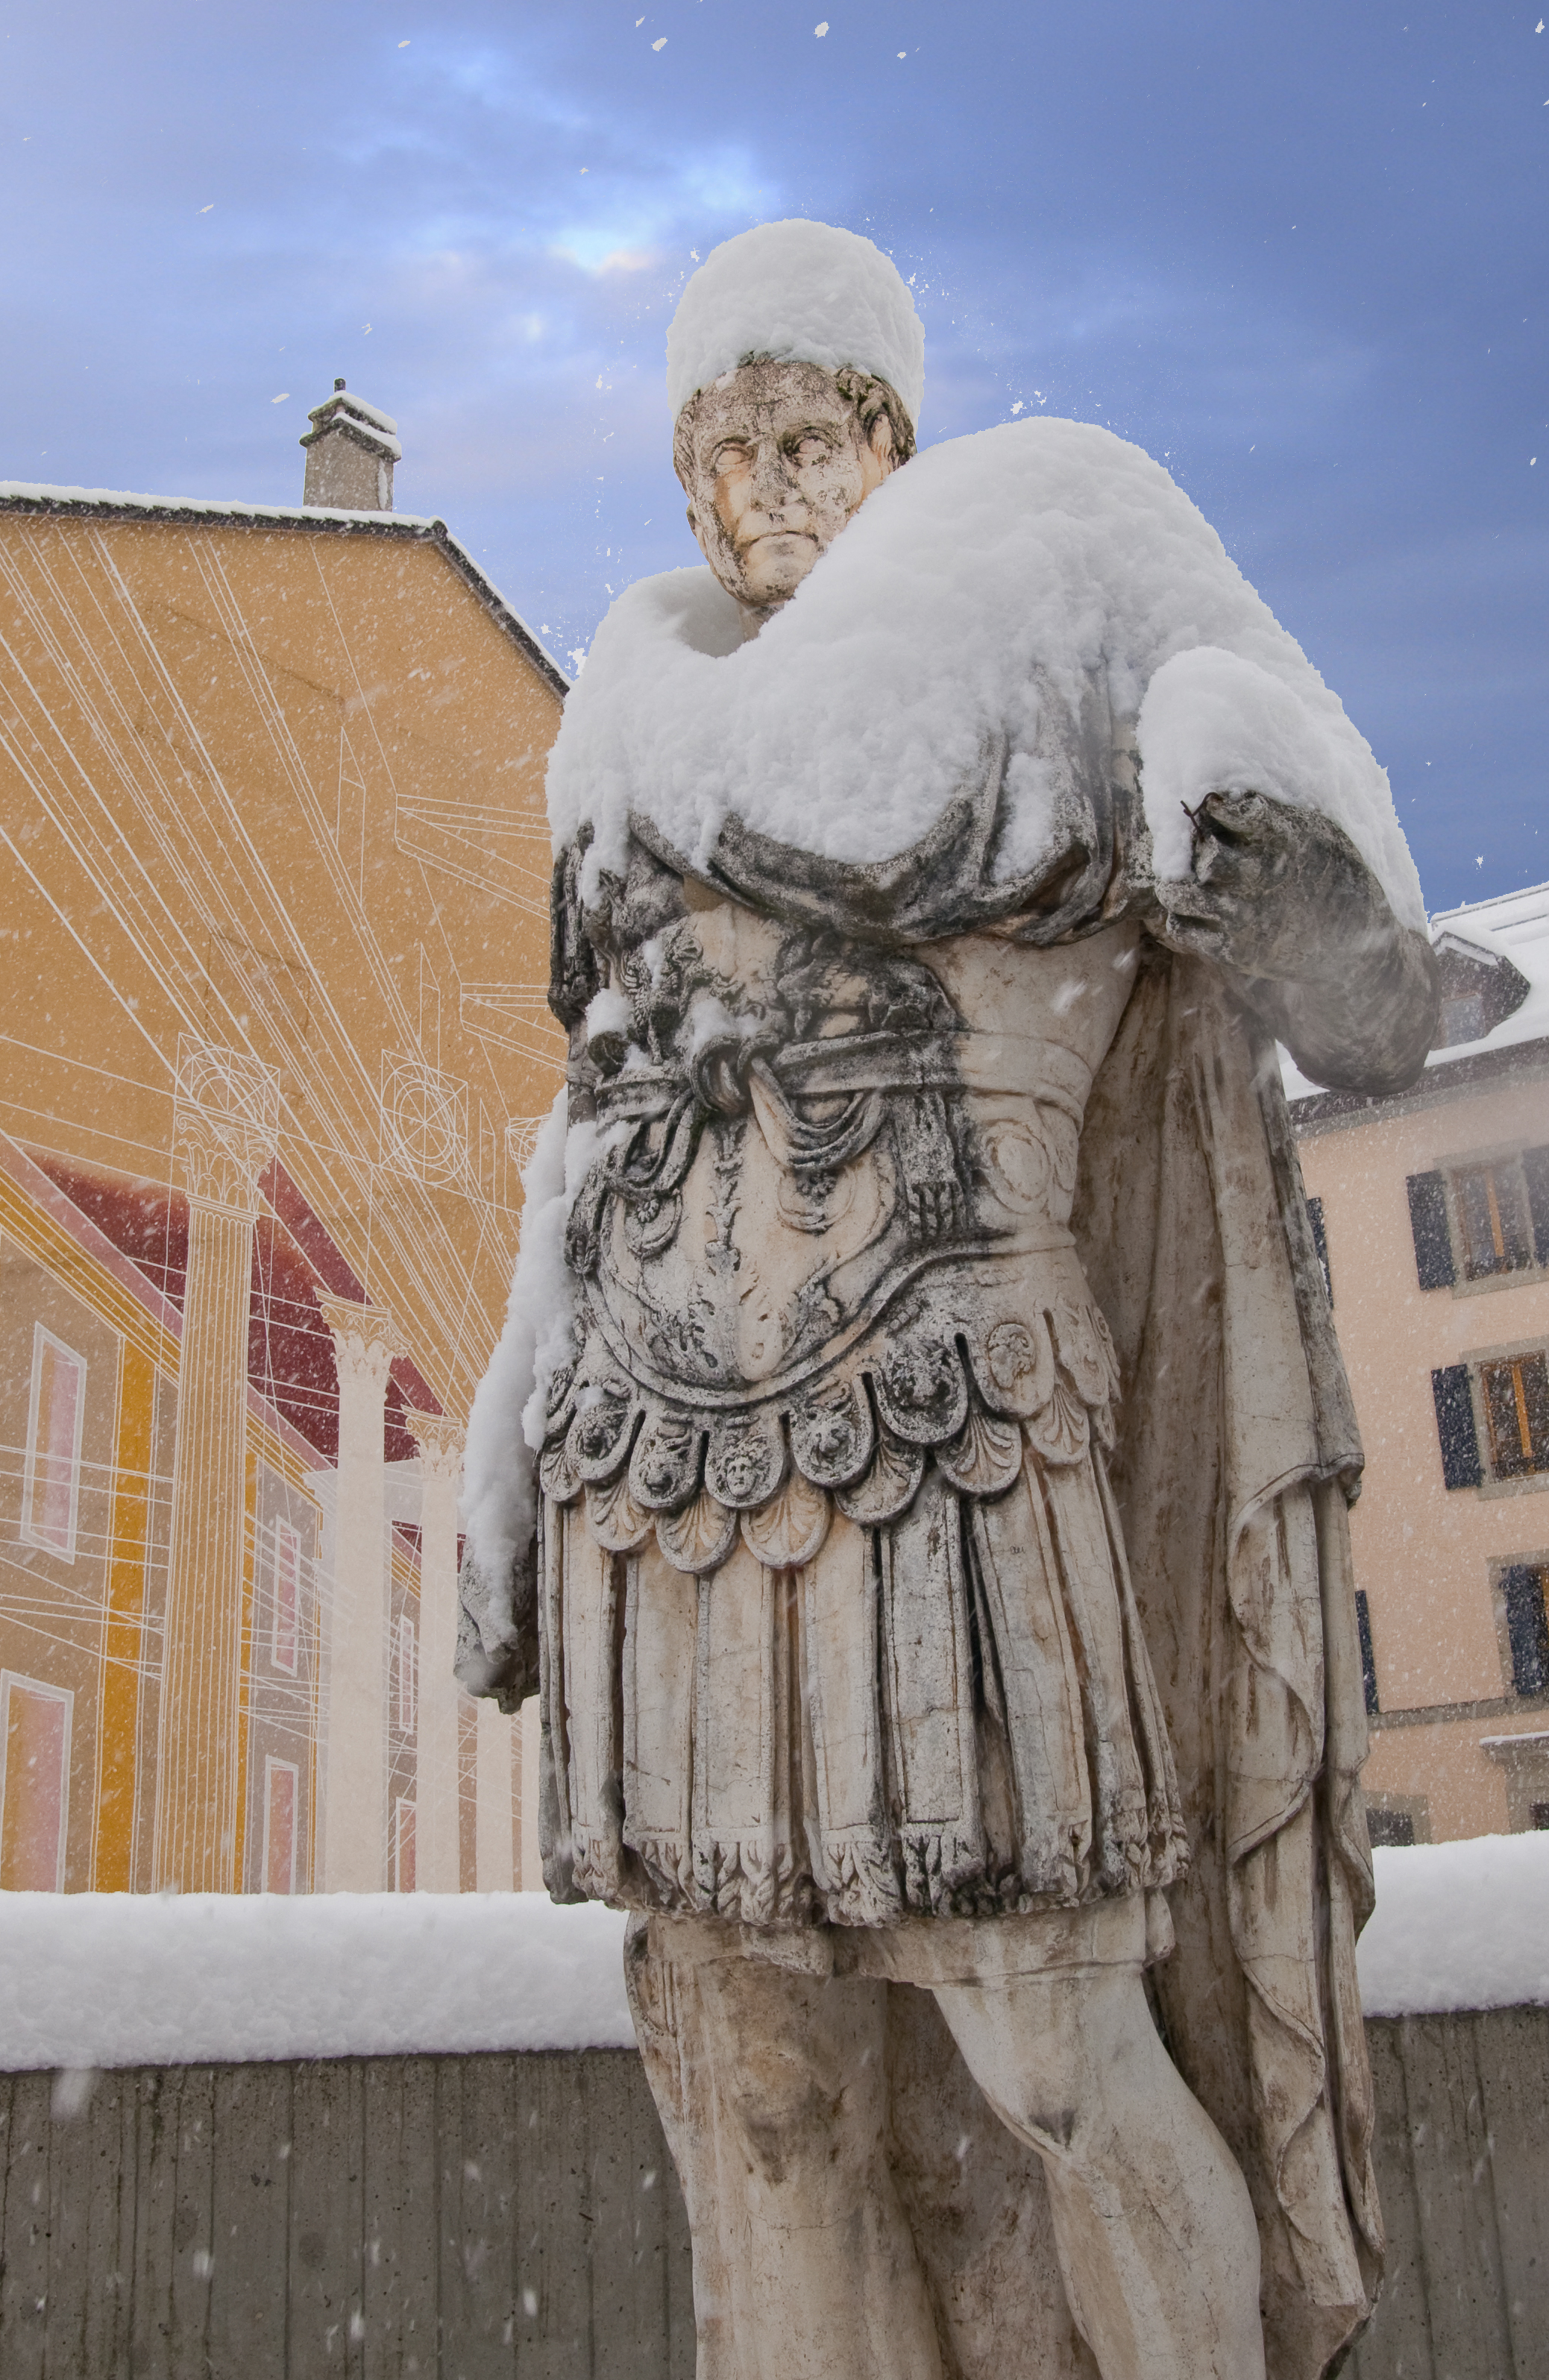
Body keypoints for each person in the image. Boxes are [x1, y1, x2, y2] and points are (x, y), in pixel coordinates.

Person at [456, 221, 1437, 2380]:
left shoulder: (1061, 564)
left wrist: (1297, 893)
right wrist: (504, 1469)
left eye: (804, 434)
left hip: (956, 1420)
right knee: (759, 2084)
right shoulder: (622, 716)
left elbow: (1361, 980)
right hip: (648, 1467)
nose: (760, 490)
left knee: (1064, 2052)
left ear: (894, 431)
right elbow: (585, 1133)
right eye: (714, 453)